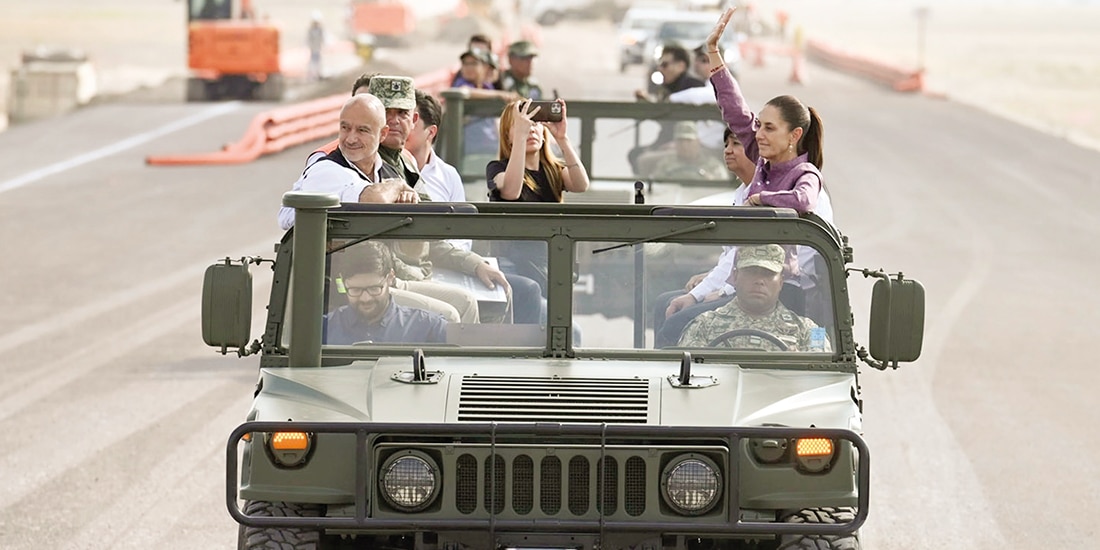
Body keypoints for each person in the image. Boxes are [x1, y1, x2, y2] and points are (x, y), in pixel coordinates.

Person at [486, 98, 590, 295]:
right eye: (522, 125)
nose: (531, 129)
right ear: (508, 137)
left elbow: (581, 184)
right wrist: (520, 139)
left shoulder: (553, 171)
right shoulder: (497, 169)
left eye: (536, 124)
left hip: (549, 263)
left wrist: (562, 139)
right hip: (515, 267)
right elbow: (511, 191)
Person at [278, 94, 413, 231]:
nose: (351, 139)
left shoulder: (390, 172)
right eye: (345, 128)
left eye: (362, 130)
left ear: (383, 134)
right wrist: (398, 186)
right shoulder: (325, 170)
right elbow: (375, 200)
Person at [677, 244, 825, 351]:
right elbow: (687, 374)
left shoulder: (809, 330)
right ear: (735, 277)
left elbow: (822, 378)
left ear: (780, 282)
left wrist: (799, 367)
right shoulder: (703, 325)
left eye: (768, 274)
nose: (759, 280)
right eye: (752, 272)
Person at [325, 241, 447, 345]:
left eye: (374, 288)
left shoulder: (430, 327)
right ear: (343, 283)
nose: (365, 298)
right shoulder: (321, 329)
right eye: (355, 290)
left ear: (390, 278)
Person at [629, 44, 706, 173]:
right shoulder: (667, 88)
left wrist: (679, 144)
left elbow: (694, 125)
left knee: (642, 159)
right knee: (635, 154)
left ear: (680, 66)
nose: (660, 69)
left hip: (684, 145)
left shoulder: (693, 88)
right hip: (666, 141)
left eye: (665, 65)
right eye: (659, 65)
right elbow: (664, 118)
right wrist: (646, 103)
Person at [366, 75, 423, 188]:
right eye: (386, 111)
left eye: (402, 112)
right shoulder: (359, 161)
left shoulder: (407, 163)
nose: (394, 120)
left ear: (414, 120)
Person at [644, 121, 728, 181]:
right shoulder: (665, 164)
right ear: (675, 144)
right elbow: (657, 186)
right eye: (680, 141)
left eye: (688, 141)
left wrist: (709, 179)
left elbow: (722, 191)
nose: (684, 146)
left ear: (697, 142)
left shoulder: (713, 166)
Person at [307, 11, 325, 82]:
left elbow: (322, 38)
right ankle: (312, 75)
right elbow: (309, 39)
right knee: (313, 61)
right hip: (313, 48)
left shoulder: (320, 30)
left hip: (317, 48)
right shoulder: (311, 30)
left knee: (317, 61)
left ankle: (317, 74)